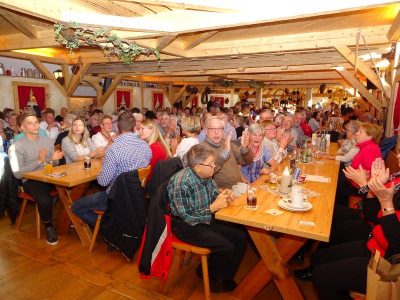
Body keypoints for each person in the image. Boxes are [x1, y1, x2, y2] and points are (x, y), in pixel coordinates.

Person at [295, 152, 400, 300]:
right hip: (375, 244)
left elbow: (397, 246)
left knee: (322, 276)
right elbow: (371, 216)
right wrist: (372, 188)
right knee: (317, 258)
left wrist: (385, 202)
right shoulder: (398, 178)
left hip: (387, 264)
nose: (399, 155)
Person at [168, 144, 247, 292]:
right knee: (226, 247)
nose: (214, 166)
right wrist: (213, 207)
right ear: (198, 167)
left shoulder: (206, 175)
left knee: (241, 237)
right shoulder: (181, 183)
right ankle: (214, 282)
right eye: (211, 164)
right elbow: (187, 217)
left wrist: (222, 195)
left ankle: (221, 276)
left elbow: (212, 193)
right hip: (186, 226)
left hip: (203, 218)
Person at [71, 112, 152, 227]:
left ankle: (109, 226)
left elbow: (103, 182)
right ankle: (115, 223)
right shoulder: (146, 147)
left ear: (118, 128)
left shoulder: (114, 149)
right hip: (137, 197)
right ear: (134, 127)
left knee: (75, 207)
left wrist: (105, 167)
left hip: (115, 198)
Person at [8, 112, 64, 245]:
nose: (35, 125)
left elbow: (53, 163)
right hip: (31, 181)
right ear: (22, 127)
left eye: (36, 122)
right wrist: (39, 161)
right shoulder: (16, 147)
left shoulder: (46, 140)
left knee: (73, 188)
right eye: (30, 123)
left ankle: (70, 221)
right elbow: (18, 173)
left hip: (49, 176)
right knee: (44, 199)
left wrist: (55, 159)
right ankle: (49, 226)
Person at [335, 122, 383, 206]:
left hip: (358, 187)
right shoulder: (366, 147)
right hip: (354, 181)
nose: (356, 134)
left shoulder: (369, 149)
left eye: (360, 132)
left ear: (370, 136)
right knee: (335, 178)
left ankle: (337, 211)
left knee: (334, 184)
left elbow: (371, 176)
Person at [202, 116, 253, 188]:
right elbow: (207, 173)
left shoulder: (226, 142)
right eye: (212, 129)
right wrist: (225, 153)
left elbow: (247, 161)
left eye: (220, 128)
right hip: (223, 192)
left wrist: (244, 148)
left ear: (223, 131)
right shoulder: (202, 149)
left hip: (239, 187)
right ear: (206, 131)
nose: (217, 132)